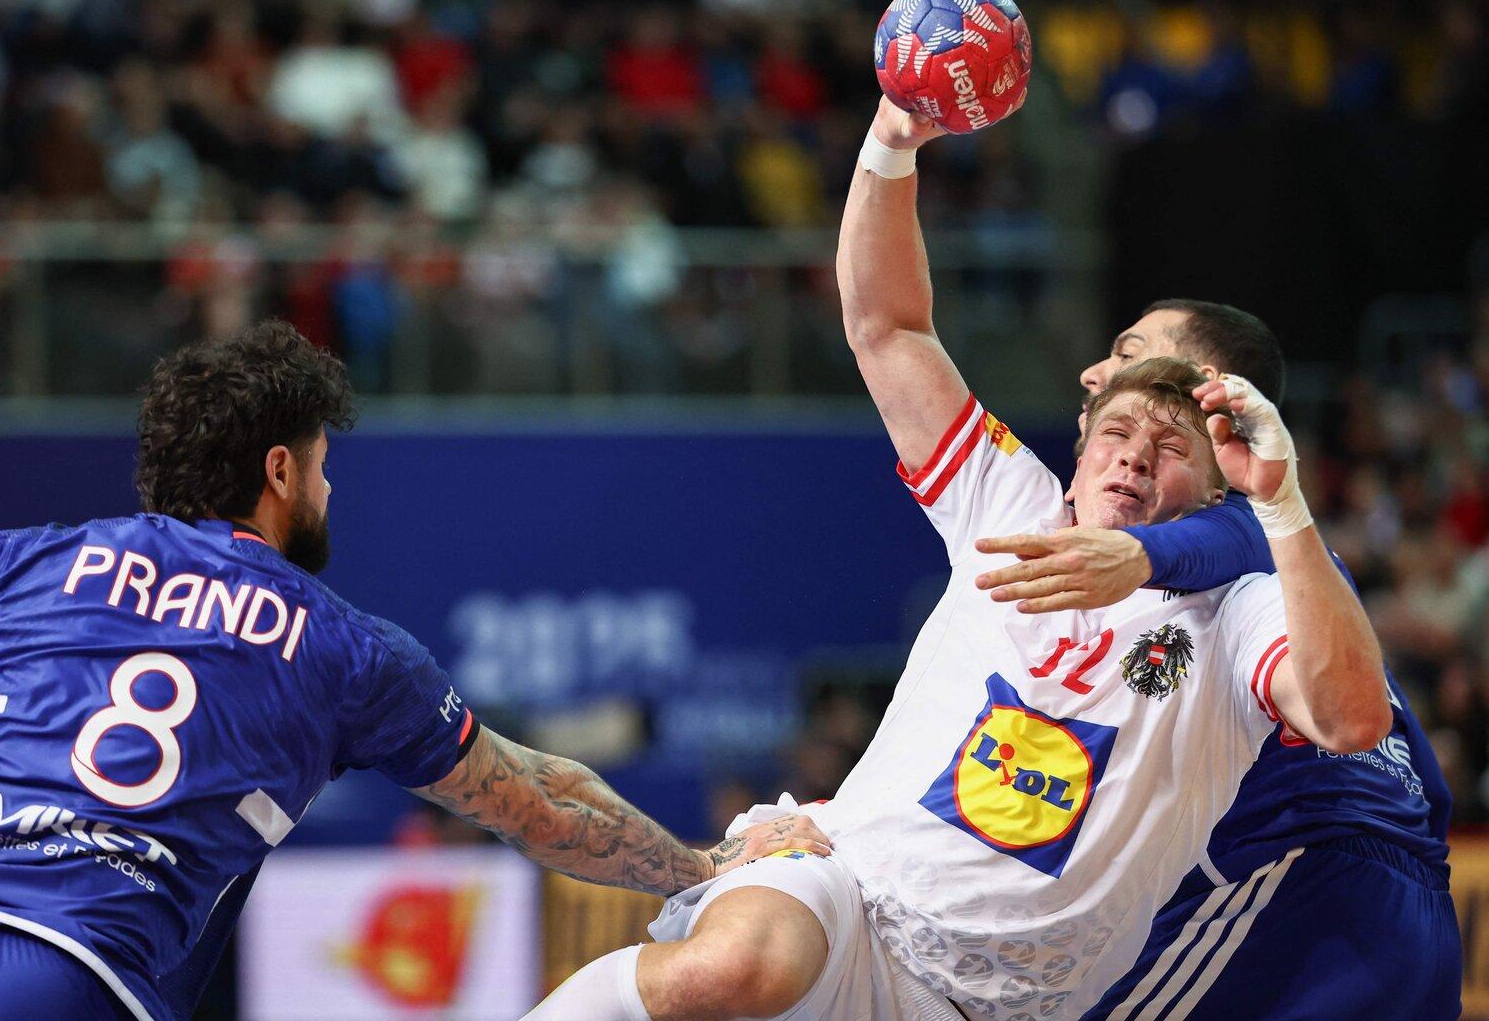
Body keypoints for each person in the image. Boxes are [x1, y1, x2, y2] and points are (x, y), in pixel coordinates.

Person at [522, 98, 1392, 1021]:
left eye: (1171, 444)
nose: (1135, 454)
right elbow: (889, 328)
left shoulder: (1243, 605)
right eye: (1118, 430)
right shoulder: (1006, 500)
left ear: (1223, 476)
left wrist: (1284, 500)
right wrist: (892, 138)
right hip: (848, 895)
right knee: (731, 972)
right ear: (1080, 440)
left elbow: (1349, 718)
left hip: (993, 1008)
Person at [0, 321, 825, 1021]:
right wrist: (702, 866)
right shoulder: (337, 643)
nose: (331, 488)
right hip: (71, 973)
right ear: (280, 474)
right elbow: (541, 800)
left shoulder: (17, 562)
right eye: (323, 463)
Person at [973, 298, 1460, 1018]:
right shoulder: (1283, 553)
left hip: (1289, 889)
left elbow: (1231, 532)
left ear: (1202, 388)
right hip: (1399, 892)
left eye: (1128, 350)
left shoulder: (1244, 532)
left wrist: (1134, 554)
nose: (1093, 371)